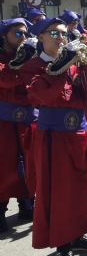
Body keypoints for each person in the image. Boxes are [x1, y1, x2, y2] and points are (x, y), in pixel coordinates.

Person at [21, 17, 87, 256]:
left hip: (79, 133)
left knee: (83, 188)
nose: (62, 38)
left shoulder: (77, 63)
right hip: (53, 137)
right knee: (59, 192)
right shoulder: (34, 66)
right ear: (41, 38)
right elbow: (39, 95)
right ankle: (62, 246)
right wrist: (60, 67)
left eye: (64, 34)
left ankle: (78, 234)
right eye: (55, 34)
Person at [0, 18, 36, 232]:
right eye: (17, 33)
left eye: (25, 33)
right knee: (4, 167)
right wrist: (18, 63)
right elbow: (5, 79)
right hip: (3, 120)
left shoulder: (29, 56)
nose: (23, 37)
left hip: (27, 118)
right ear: (4, 35)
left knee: (29, 164)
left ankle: (27, 204)